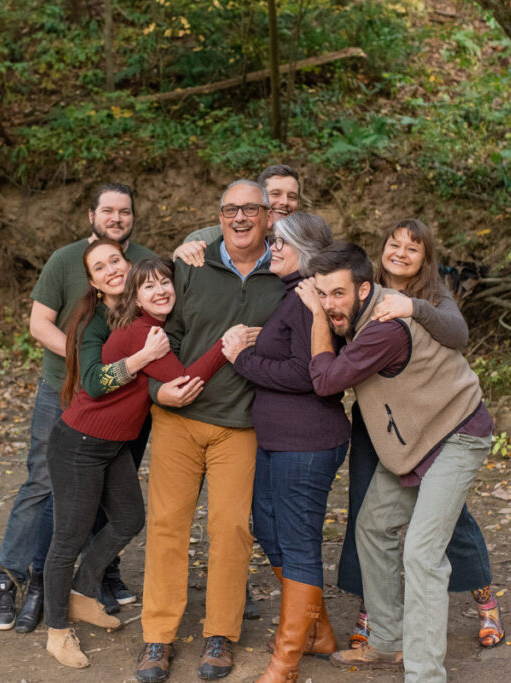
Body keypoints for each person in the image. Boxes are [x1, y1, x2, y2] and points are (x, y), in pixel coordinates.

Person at [0, 183, 199, 632]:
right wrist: (91, 364)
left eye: (125, 211)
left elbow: (166, 296)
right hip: (66, 391)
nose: (116, 218)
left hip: (122, 402)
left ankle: (94, 578)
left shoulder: (141, 261)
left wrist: (192, 247)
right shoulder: (67, 262)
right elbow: (39, 324)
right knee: (45, 486)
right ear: (91, 215)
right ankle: (14, 579)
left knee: (108, 494)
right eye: (108, 210)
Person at [296, 241, 494, 683]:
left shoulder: (383, 328)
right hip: (416, 442)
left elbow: (326, 381)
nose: (329, 305)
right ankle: (388, 644)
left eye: (337, 295)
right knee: (372, 528)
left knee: (422, 554)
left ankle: (425, 675)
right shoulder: (369, 310)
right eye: (321, 295)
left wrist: (313, 317)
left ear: (364, 290)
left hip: (456, 434)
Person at [45, 247, 232, 667]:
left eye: (165, 283)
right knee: (67, 541)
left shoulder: (144, 323)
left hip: (110, 445)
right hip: (79, 444)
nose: (160, 289)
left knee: (128, 520)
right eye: (150, 285)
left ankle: (82, 593)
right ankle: (58, 631)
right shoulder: (138, 331)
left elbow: (157, 382)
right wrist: (224, 345)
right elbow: (178, 382)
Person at [136, 180, 286, 682]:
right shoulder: (193, 264)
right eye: (229, 210)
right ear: (218, 217)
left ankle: (220, 633)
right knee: (167, 527)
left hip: (239, 425)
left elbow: (300, 339)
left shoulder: (286, 273)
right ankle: (157, 638)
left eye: (250, 209)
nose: (239, 218)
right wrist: (159, 393)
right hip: (178, 419)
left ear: (268, 215)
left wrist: (266, 339)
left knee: (230, 529)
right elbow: (162, 338)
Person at [338, 219, 504, 650]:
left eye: (413, 249)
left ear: (425, 258)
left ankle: (484, 596)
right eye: (394, 244)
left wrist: (413, 309)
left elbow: (458, 332)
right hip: (380, 420)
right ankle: (375, 612)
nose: (400, 253)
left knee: (446, 517)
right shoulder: (362, 286)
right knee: (368, 514)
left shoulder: (431, 293)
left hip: (436, 421)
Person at [221, 213, 348, 683]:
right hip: (277, 441)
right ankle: (319, 634)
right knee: (270, 531)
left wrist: (242, 358)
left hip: (307, 443)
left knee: (296, 543)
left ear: (307, 252)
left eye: (280, 243)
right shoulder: (292, 294)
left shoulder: (308, 298)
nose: (271, 248)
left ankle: (285, 662)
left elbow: (307, 376)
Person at [173, 164, 301, 268]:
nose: (284, 202)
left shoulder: (302, 243)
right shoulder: (205, 239)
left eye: (292, 197)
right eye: (275, 194)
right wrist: (179, 256)